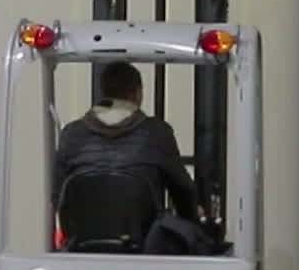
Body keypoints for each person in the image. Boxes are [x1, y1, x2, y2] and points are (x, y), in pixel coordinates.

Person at [52, 62, 200, 247]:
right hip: (145, 247)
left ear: (103, 91)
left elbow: (57, 195)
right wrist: (191, 223)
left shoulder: (72, 134)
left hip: (83, 246)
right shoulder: (156, 133)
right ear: (137, 93)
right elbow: (183, 191)